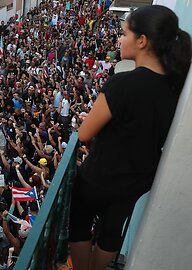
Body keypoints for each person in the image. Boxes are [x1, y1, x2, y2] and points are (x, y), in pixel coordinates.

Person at [69, 6, 191, 270]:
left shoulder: (122, 84)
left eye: (124, 34)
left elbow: (84, 133)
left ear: (142, 40)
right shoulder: (176, 87)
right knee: (112, 230)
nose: (119, 40)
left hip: (101, 175)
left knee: (79, 222)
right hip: (138, 178)